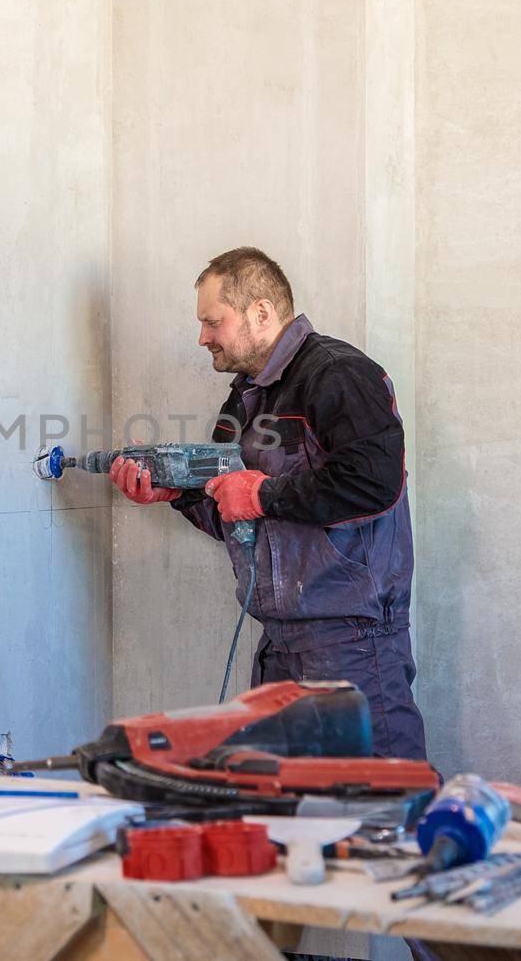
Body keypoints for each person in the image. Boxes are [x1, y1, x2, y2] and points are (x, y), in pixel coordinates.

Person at [111, 247, 426, 759]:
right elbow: (235, 516)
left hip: (354, 644)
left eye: (213, 322)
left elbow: (374, 482)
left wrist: (261, 492)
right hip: (280, 645)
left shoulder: (339, 375)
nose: (203, 338)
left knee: (382, 807)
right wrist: (177, 496)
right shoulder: (243, 400)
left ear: (261, 312)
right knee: (287, 813)